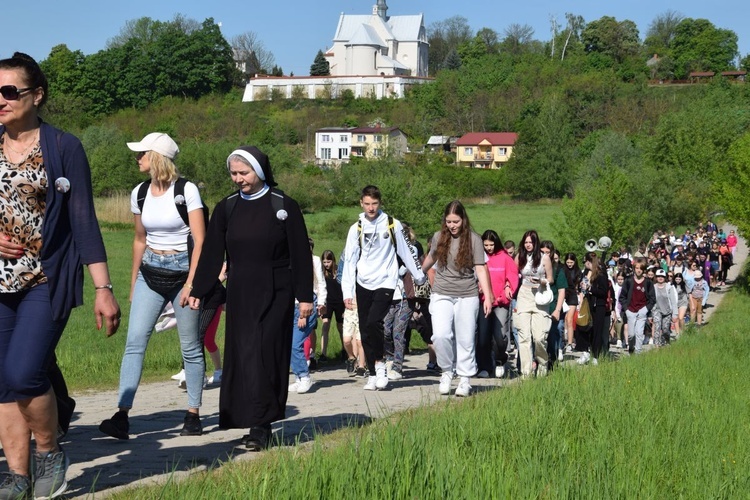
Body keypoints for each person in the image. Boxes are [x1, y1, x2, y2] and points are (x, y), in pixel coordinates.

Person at [0, 52, 121, 499]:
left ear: (37, 95)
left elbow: (84, 219)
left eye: (10, 91)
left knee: (24, 371)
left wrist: (103, 289)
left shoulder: (63, 147)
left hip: (45, 279)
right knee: (2, 382)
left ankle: (49, 450)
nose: (1, 99)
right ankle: (16, 476)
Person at [189, 146, 313, 451]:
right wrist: (199, 290)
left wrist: (304, 297)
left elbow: (299, 254)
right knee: (243, 356)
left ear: (258, 170)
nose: (238, 179)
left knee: (265, 355)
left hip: (276, 290)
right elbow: (212, 253)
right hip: (242, 291)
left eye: (243, 172)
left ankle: (262, 425)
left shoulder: (283, 205)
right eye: (233, 173)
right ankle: (248, 418)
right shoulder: (227, 207)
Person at [99, 132, 206, 440]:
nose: (137, 158)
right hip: (150, 273)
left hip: (183, 274)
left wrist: (191, 285)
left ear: (156, 157)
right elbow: (139, 239)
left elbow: (200, 240)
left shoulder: (187, 191)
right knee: (134, 342)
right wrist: (134, 284)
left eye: (142, 153)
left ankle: (193, 414)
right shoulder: (140, 193)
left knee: (190, 346)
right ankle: (122, 415)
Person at [340, 185, 425, 391]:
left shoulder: (391, 224)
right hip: (363, 282)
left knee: (373, 322)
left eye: (374, 204)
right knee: (365, 329)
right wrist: (347, 291)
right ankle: (372, 370)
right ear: (361, 203)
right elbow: (349, 261)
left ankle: (381, 366)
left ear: (380, 203)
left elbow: (405, 251)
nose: (371, 208)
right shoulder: (356, 228)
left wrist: (419, 276)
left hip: (386, 281)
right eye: (367, 204)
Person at [421, 201, 493, 396]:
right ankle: (446, 371)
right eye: (449, 221)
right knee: (441, 335)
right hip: (442, 292)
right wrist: (420, 272)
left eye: (456, 221)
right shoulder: (438, 237)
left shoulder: (474, 240)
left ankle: (464, 378)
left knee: (465, 337)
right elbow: (432, 258)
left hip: (467, 295)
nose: (452, 225)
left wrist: (488, 297)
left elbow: (480, 268)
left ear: (463, 220)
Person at [475, 230, 518, 379]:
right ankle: (485, 367)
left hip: (500, 302)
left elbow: (512, 276)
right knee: (483, 336)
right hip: (483, 301)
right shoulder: (479, 258)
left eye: (491, 244)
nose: (488, 248)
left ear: (496, 243)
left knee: (500, 336)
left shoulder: (505, 258)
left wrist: (508, 286)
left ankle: (500, 359)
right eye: (485, 245)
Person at [513, 230, 554, 377]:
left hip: (540, 296)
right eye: (526, 242)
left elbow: (550, 279)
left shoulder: (545, 258)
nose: (528, 245)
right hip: (524, 295)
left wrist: (541, 281)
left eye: (531, 242)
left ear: (536, 243)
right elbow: (512, 274)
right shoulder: (520, 257)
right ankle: (526, 371)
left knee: (539, 337)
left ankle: (542, 363)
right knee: (524, 336)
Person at [289, 238, 326, 394]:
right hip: (291, 304)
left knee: (296, 344)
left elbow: (321, 282)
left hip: (307, 303)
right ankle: (298, 376)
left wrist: (321, 303)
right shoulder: (290, 260)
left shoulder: (314, 260)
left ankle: (305, 376)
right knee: (289, 344)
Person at [577, 253, 610, 365]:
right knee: (583, 327)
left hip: (598, 305)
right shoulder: (585, 273)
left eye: (584, 261)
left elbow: (603, 291)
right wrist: (581, 286)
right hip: (587, 303)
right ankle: (585, 351)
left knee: (597, 330)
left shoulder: (601, 274)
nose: (584, 264)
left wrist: (590, 288)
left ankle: (595, 355)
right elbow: (580, 286)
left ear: (589, 261)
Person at [619, 258, 655, 354]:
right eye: (637, 268)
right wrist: (626, 309)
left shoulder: (648, 283)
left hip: (642, 311)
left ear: (644, 270)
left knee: (639, 333)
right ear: (634, 269)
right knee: (631, 335)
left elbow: (652, 299)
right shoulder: (628, 281)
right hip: (630, 310)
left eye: (641, 268)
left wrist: (646, 309)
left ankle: (638, 352)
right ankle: (631, 347)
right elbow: (622, 297)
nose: (638, 270)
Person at [540, 241, 568, 367]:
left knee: (552, 336)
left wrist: (557, 309)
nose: (544, 254)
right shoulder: (535, 267)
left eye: (547, 252)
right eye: (542, 252)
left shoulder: (557, 269)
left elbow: (562, 291)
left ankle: (552, 363)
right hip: (538, 306)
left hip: (552, 307)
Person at [320, 250, 345, 363]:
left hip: (340, 302)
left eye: (328, 262)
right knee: (325, 326)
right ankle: (323, 354)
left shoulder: (340, 271)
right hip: (328, 302)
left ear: (333, 260)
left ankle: (344, 350)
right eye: (324, 262)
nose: (326, 264)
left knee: (341, 328)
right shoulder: (322, 273)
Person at [652, 269, 678, 345]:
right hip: (657, 310)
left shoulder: (669, 287)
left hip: (667, 311)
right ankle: (657, 345)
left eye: (662, 276)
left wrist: (675, 314)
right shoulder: (653, 287)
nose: (660, 278)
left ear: (665, 277)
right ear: (656, 277)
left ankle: (665, 341)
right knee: (657, 327)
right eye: (658, 276)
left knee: (665, 329)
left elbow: (673, 301)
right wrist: (650, 314)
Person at [562, 252, 582, 353]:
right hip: (563, 294)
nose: (570, 264)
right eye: (568, 262)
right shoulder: (562, 270)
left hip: (572, 296)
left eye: (571, 262)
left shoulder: (578, 271)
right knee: (563, 319)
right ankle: (563, 340)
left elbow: (579, 286)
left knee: (569, 319)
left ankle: (569, 343)